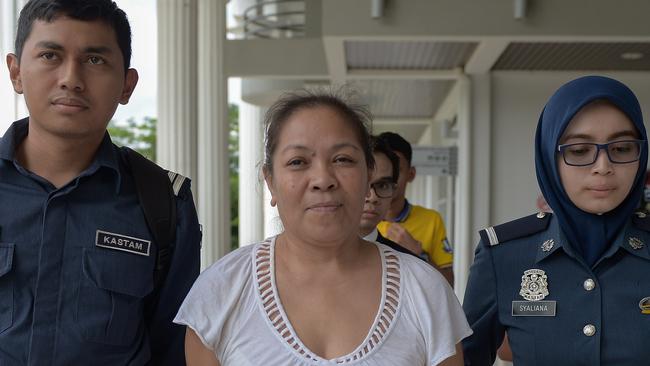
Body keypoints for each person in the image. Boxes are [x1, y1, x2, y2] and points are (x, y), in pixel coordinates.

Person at [174, 90, 471, 366]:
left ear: (368, 175)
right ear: (271, 182)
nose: (323, 179)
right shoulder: (221, 292)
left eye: (342, 159)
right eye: (298, 161)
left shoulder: (425, 291)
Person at [0, 0, 201, 364]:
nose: (71, 79)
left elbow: (174, 350)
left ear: (127, 85)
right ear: (15, 72)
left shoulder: (163, 205)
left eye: (95, 60)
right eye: (50, 55)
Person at [462, 75, 650, 365]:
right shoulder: (504, 256)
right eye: (579, 151)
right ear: (549, 157)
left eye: (622, 149)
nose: (603, 167)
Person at [376, 132, 454, 285]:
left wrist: (418, 254)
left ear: (411, 174)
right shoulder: (358, 220)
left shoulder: (431, 220)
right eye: (382, 170)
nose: (388, 178)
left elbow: (449, 284)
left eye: (397, 170)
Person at [360, 136, 419, 257]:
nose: (372, 197)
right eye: (362, 182)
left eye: (383, 185)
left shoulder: (411, 265)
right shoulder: (311, 256)